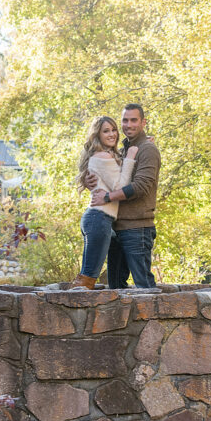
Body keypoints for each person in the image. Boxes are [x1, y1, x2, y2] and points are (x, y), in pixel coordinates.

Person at [84, 103, 161, 288]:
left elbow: (141, 186)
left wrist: (108, 197)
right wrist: (89, 182)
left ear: (143, 122)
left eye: (134, 120)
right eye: (125, 121)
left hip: (137, 228)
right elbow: (105, 175)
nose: (128, 125)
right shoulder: (123, 149)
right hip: (116, 227)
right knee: (115, 287)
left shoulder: (147, 149)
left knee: (144, 286)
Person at [69, 116, 137, 290]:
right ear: (97, 135)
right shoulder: (102, 155)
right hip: (98, 218)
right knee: (89, 276)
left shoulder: (108, 155)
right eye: (106, 131)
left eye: (114, 130)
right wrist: (131, 156)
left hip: (99, 219)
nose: (112, 134)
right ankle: (74, 311)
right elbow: (120, 186)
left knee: (87, 274)